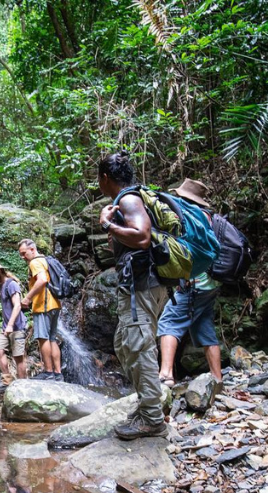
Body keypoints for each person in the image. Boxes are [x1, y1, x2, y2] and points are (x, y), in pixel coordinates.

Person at [97, 151, 168, 440]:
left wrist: (107, 226)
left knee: (138, 346)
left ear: (105, 178)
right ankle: (146, 406)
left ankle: (153, 419)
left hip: (143, 284)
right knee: (125, 344)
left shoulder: (127, 200)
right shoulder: (130, 198)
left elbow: (142, 237)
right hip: (140, 284)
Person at [157, 179, 223, 388]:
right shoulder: (209, 217)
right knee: (204, 327)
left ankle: (165, 375)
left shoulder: (187, 217)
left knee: (168, 322)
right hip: (212, 282)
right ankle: (217, 378)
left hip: (195, 283)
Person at [18, 239, 63, 381]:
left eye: (24, 253)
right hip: (54, 303)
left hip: (43, 305)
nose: (23, 257)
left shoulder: (35, 262)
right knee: (52, 339)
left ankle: (48, 372)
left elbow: (42, 280)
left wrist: (27, 298)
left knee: (43, 338)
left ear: (32, 249)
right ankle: (58, 373)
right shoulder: (46, 260)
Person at [0, 260, 27, 392]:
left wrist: (10, 325)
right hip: (6, 327)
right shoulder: (2, 285)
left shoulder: (11, 284)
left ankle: (23, 386)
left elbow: (18, 305)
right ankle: (7, 382)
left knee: (18, 357)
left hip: (17, 327)